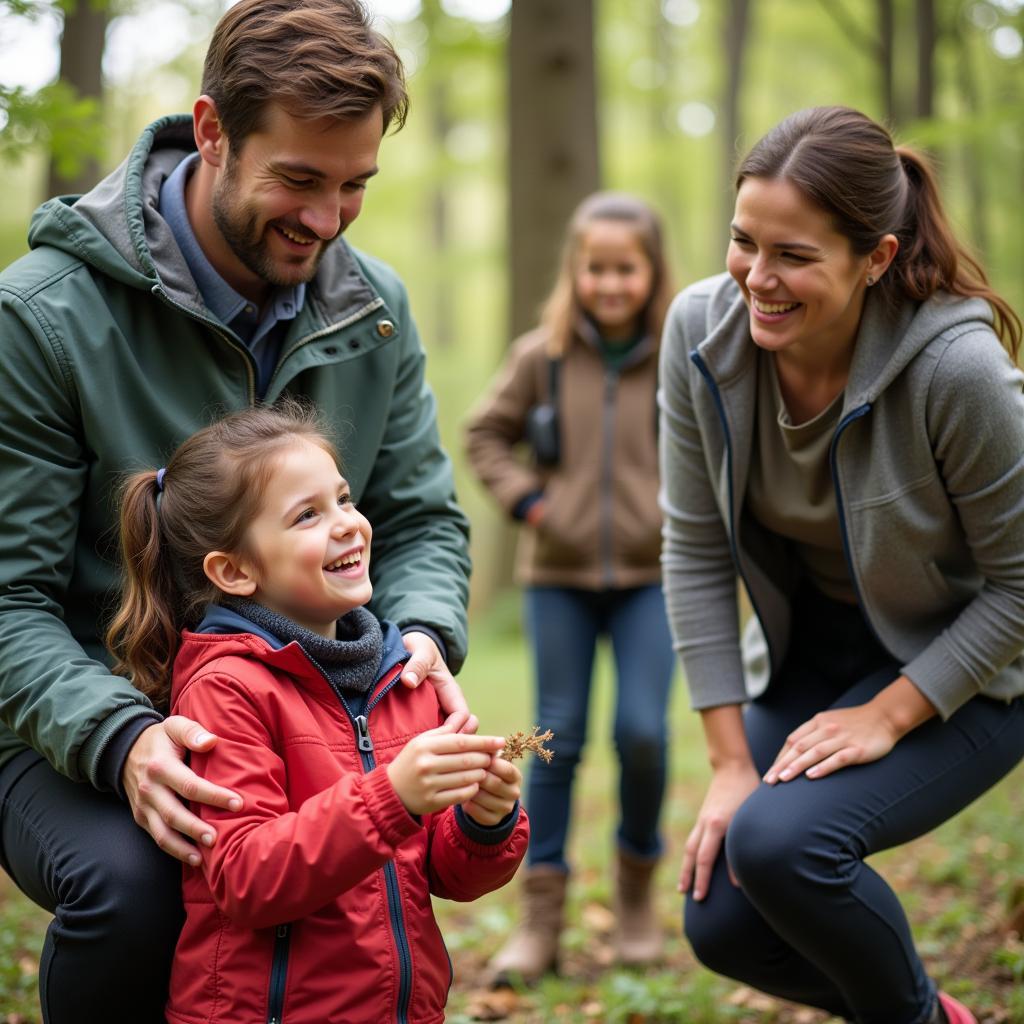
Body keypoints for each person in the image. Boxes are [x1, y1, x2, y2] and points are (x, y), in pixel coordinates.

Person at [0, 2, 474, 1020]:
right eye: (299, 180)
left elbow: (425, 519)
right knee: (141, 885)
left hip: (306, 709)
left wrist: (427, 638)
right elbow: (9, 601)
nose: (327, 218)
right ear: (211, 131)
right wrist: (123, 737)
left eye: (354, 186)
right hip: (73, 721)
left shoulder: (373, 309)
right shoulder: (43, 315)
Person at [659, 105, 1024, 1024]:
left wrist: (893, 712)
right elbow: (696, 544)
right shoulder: (701, 333)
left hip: (974, 669)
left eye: (794, 256)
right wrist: (729, 759)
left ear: (878, 258)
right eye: (744, 241)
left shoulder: (957, 369)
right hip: (816, 654)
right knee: (722, 921)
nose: (758, 278)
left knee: (783, 851)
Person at [103, 401, 529, 1023]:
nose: (347, 524)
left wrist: (482, 823)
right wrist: (392, 797)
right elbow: (246, 879)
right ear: (235, 570)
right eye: (308, 515)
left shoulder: (399, 671)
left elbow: (441, 874)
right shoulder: (228, 690)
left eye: (345, 499)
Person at [465, 192, 676, 980]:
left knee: (645, 732)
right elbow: (484, 433)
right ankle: (540, 921)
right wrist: (530, 502)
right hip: (557, 575)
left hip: (652, 576)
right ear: (575, 271)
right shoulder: (541, 355)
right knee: (554, 738)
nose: (610, 283)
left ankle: (635, 898)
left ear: (651, 272)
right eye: (596, 268)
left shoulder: (679, 352)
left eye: (626, 268)